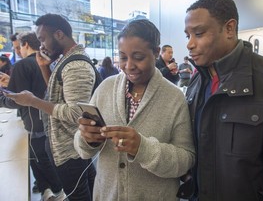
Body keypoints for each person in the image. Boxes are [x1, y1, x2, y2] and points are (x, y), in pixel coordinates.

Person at [180, 0, 263, 201]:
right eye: (187, 36)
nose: (190, 44)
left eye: (199, 33)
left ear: (229, 29)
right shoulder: (196, 82)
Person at [73, 19, 195, 200]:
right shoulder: (105, 88)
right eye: (123, 57)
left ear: (155, 52)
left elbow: (186, 159)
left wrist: (143, 148)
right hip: (107, 194)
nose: (128, 65)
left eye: (138, 57)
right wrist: (87, 138)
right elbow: (81, 147)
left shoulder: (174, 98)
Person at [6, 13, 96, 201]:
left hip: (70, 149)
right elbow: (59, 100)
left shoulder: (76, 64)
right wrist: (44, 68)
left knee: (79, 196)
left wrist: (32, 101)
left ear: (59, 34)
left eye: (42, 39)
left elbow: (74, 113)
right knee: (88, 192)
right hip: (70, 146)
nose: (41, 46)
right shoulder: (66, 60)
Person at [0, 32, 65, 200]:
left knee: (40, 160)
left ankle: (57, 192)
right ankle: (47, 190)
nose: (18, 51)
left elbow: (17, 99)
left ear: (26, 44)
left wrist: (2, 97)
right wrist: (11, 82)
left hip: (35, 122)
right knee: (41, 159)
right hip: (47, 119)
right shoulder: (46, 63)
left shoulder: (23, 65)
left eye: (18, 47)